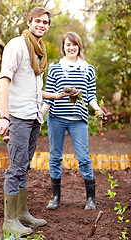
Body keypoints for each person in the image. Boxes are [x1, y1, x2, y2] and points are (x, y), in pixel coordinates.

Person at [0, 9, 78, 236]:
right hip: (18, 116)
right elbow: (4, 79)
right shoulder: (17, 45)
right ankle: (9, 222)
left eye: (46, 22)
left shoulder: (38, 51)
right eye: (38, 21)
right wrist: (4, 115)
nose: (42, 25)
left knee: (24, 166)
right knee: (16, 168)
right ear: (29, 22)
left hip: (33, 117)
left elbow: (34, 90)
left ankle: (21, 214)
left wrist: (57, 95)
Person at [43, 32, 110, 211]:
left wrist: (97, 109)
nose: (71, 47)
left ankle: (91, 199)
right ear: (63, 47)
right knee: (55, 157)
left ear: (79, 46)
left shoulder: (88, 69)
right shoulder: (55, 69)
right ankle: (56, 198)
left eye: (74, 44)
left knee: (83, 157)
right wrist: (38, 116)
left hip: (78, 120)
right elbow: (48, 97)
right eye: (67, 44)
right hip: (56, 118)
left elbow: (91, 96)